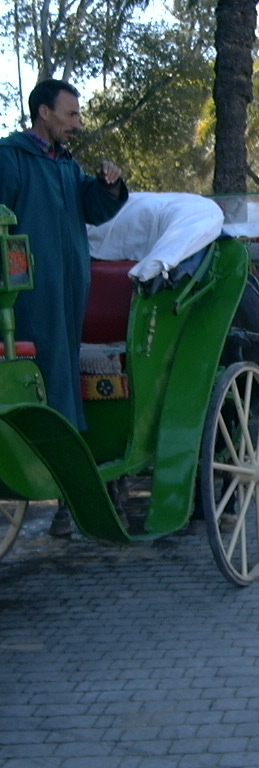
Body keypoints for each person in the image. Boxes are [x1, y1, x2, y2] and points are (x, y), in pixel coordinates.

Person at [0, 79, 129, 536]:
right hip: (30, 293)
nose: (77, 124)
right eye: (71, 115)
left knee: (63, 375)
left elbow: (92, 210)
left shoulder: (65, 166)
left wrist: (109, 186)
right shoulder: (12, 158)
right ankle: (66, 494)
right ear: (43, 113)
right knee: (48, 379)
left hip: (70, 289)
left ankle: (74, 493)